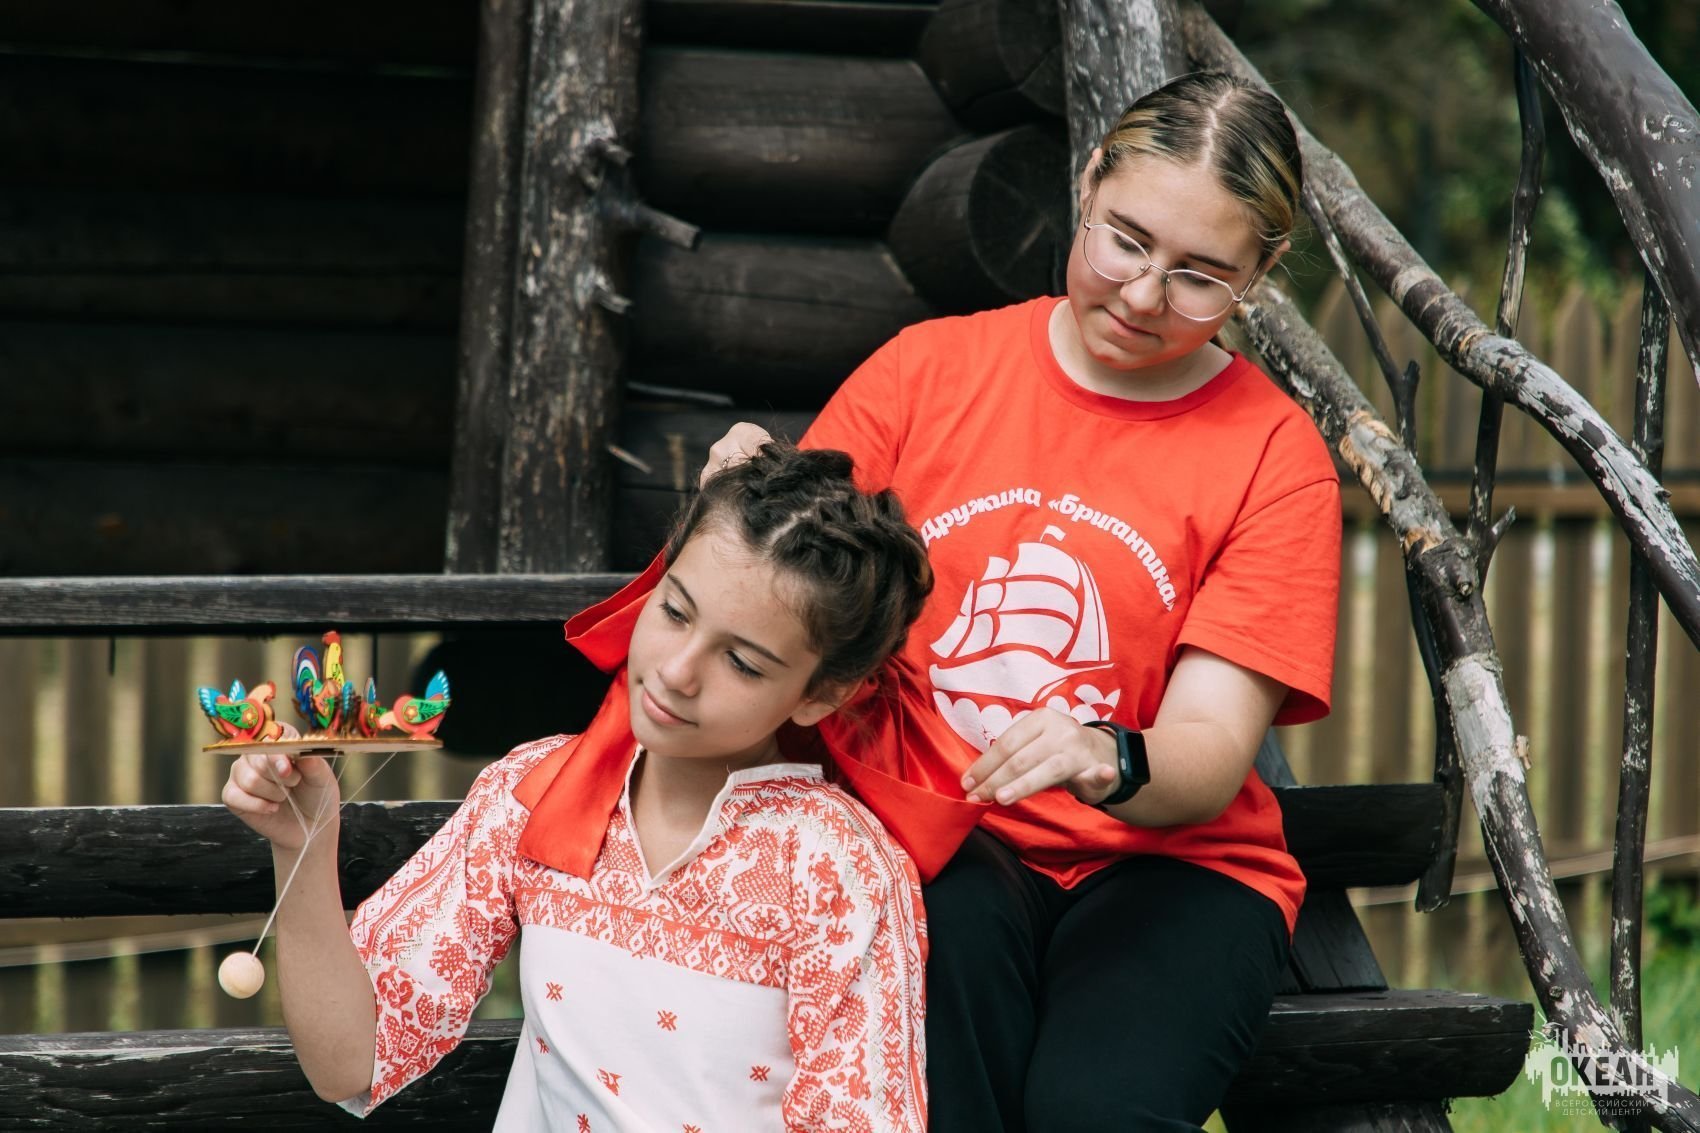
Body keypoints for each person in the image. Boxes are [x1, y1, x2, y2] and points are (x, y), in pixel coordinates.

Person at [706, 72, 1342, 1132]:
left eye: (1199, 276)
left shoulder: (1274, 455)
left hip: (1174, 869)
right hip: (937, 839)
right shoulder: (926, 374)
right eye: (1124, 241)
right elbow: (790, 598)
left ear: (1260, 272)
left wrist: (1105, 753)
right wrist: (734, 508)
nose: (1143, 296)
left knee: (1094, 1112)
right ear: (1087, 184)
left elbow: (1206, 749)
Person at [221, 443, 947, 1132]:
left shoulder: (837, 868)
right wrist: (302, 845)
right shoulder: (536, 790)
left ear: (822, 693)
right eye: (674, 611)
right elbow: (353, 1060)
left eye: (743, 664)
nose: (677, 671)